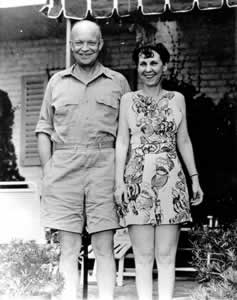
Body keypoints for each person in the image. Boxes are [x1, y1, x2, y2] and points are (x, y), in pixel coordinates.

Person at [35, 20, 130, 300]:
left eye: (91, 42)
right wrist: (49, 170)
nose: (85, 48)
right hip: (65, 168)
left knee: (104, 247)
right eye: (79, 43)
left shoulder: (118, 82)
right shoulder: (57, 82)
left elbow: (127, 134)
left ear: (100, 45)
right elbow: (44, 129)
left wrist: (123, 177)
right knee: (68, 248)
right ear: (71, 45)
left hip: (105, 166)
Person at [115, 43, 203, 300]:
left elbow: (184, 140)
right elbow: (121, 142)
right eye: (143, 63)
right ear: (137, 67)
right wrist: (119, 182)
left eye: (154, 63)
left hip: (171, 180)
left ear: (165, 65)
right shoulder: (127, 100)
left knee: (166, 256)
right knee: (142, 257)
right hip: (136, 180)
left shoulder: (177, 99)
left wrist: (194, 178)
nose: (148, 69)